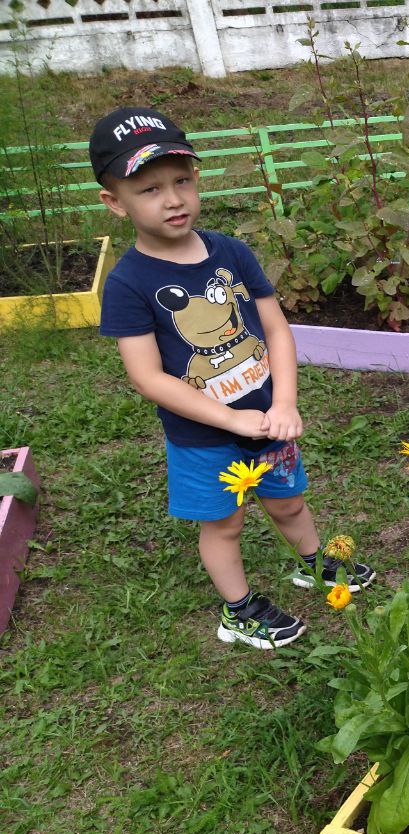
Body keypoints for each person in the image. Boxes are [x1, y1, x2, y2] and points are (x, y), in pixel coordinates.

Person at [91, 107, 374, 650]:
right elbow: (148, 378)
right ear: (115, 202)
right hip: (202, 437)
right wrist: (228, 418)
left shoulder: (230, 251)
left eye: (181, 181)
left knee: (289, 501)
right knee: (225, 524)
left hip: (269, 420)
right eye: (149, 189)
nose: (173, 199)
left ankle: (313, 564)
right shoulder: (129, 284)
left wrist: (284, 402)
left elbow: (276, 328)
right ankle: (239, 610)